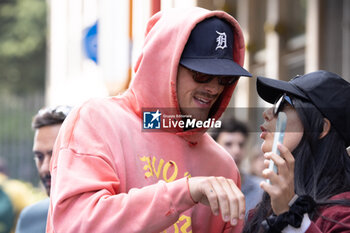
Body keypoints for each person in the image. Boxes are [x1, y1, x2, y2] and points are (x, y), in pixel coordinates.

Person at [46, 7, 252, 233]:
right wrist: (185, 192)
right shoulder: (96, 121)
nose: (213, 88)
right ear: (164, 63)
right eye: (201, 74)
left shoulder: (221, 164)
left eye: (224, 78)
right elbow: (76, 225)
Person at [243, 70, 350, 232]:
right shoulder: (261, 210)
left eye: (283, 103)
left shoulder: (342, 215)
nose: (267, 113)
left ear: (321, 127)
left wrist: (292, 217)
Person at [15, 106, 71, 233]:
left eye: (55, 154)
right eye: (39, 157)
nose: (45, 167)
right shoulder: (29, 219)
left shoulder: (105, 215)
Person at [211, 117, 263, 215]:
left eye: (241, 145)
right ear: (214, 147)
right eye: (228, 144)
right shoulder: (204, 188)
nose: (236, 151)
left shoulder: (261, 190)